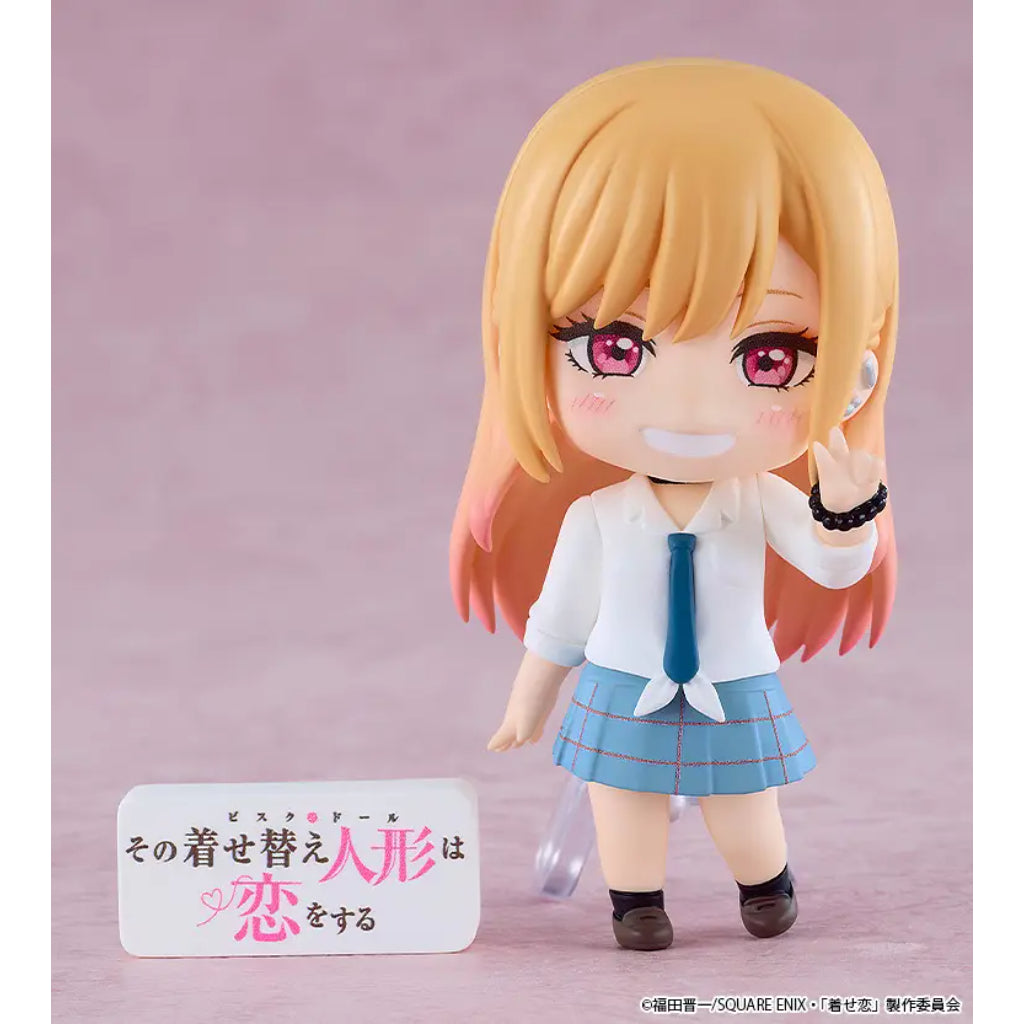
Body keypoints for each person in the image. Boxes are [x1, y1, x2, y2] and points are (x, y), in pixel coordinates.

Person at [450, 59, 898, 951]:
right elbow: (560, 620)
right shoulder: (598, 519)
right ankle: (636, 903)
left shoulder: (761, 500)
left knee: (746, 800)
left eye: (770, 356)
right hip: (622, 680)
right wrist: (529, 702)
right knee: (621, 800)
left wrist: (848, 513)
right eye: (614, 348)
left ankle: (764, 886)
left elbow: (831, 564)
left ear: (854, 370)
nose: (689, 408)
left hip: (734, 677)